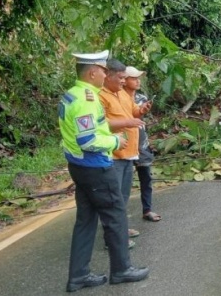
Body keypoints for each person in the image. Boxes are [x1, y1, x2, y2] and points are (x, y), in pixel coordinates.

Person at [59, 51, 149, 292]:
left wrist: (109, 135)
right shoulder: (86, 99)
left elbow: (89, 131)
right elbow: (88, 140)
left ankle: (78, 276)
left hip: (79, 167)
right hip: (96, 166)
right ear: (92, 72)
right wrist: (115, 142)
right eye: (103, 71)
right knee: (115, 216)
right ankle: (121, 270)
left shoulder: (72, 94)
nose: (105, 75)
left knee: (86, 221)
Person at [99, 59, 152, 243]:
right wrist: (128, 123)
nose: (124, 81)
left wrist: (141, 110)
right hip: (113, 156)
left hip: (129, 153)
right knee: (113, 199)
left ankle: (120, 229)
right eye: (121, 78)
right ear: (108, 76)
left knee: (123, 197)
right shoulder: (100, 96)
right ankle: (112, 238)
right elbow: (100, 125)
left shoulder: (122, 94)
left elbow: (133, 111)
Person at [123, 66, 161, 222]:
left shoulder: (141, 97)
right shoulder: (118, 98)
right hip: (124, 144)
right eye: (133, 78)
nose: (138, 81)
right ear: (124, 80)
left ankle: (147, 210)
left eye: (138, 78)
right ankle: (120, 220)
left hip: (141, 142)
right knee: (124, 184)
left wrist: (143, 109)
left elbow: (141, 119)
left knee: (146, 177)